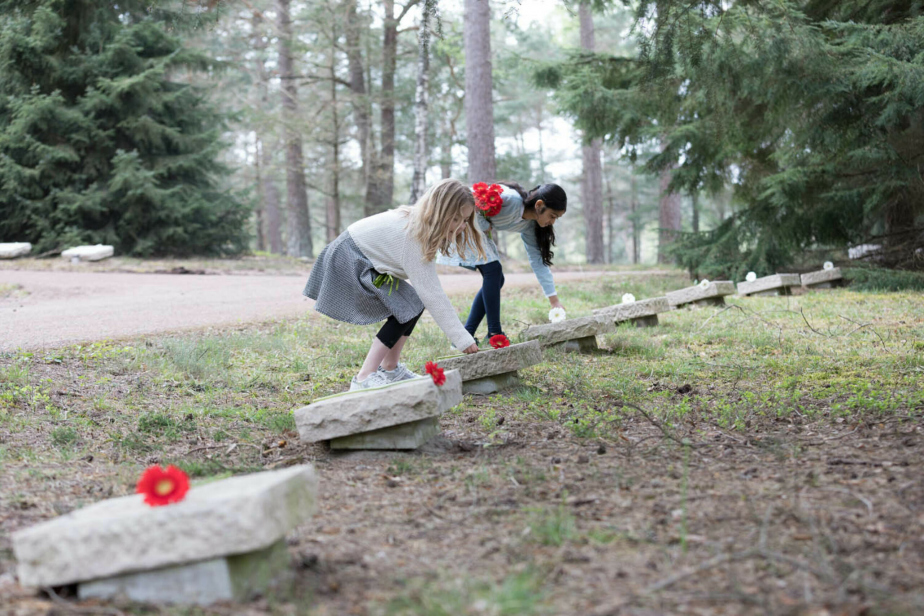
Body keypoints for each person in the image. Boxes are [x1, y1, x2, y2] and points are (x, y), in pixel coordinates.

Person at [304, 178, 483, 391]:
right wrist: (462, 339)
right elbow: (433, 294)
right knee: (406, 306)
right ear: (438, 213)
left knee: (411, 303)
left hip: (360, 258)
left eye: (464, 219)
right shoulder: (413, 235)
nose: (461, 226)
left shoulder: (419, 225)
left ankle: (390, 368)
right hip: (348, 258)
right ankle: (363, 378)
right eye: (455, 218)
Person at [437, 182, 567, 342]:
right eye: (552, 216)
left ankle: (465, 335)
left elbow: (538, 262)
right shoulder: (509, 199)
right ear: (539, 205)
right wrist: (484, 223)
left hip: (479, 233)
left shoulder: (528, 226)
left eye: (556, 218)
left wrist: (554, 301)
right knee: (493, 271)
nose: (552, 222)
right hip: (463, 226)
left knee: (497, 278)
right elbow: (467, 196)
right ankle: (494, 333)